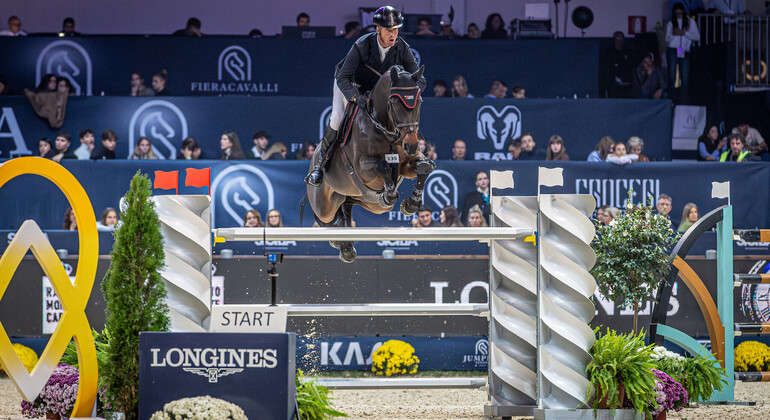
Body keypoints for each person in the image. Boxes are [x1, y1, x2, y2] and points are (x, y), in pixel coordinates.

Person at [305, 6, 426, 187]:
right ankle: (320, 165)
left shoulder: (402, 47)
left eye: (395, 29)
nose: (393, 34)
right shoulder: (362, 45)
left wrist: (407, 91)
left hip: (381, 94)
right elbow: (343, 77)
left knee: (403, 115)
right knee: (337, 116)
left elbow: (420, 79)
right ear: (377, 29)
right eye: (388, 30)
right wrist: (355, 97)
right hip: (352, 85)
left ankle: (417, 156)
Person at [666, 3, 700, 103]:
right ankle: (671, 100)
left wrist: (685, 33)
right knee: (672, 76)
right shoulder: (671, 23)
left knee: (684, 77)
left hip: (684, 49)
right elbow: (667, 39)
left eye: (680, 13)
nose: (679, 16)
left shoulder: (691, 22)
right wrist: (673, 34)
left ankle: (684, 101)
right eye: (677, 14)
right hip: (673, 49)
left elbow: (697, 37)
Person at [602, 31, 634, 98]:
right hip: (614, 87)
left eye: (621, 38)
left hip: (627, 86)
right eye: (617, 37)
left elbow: (632, 68)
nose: (619, 40)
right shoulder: (609, 52)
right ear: (614, 40)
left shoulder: (629, 51)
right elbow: (606, 71)